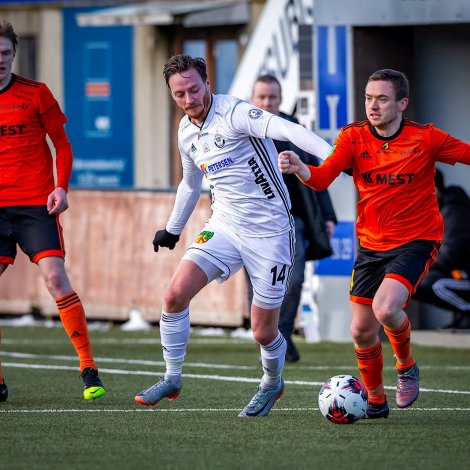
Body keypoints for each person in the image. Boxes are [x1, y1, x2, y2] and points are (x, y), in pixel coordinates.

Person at [134, 54, 332, 417]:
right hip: (224, 226)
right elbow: (190, 184)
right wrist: (173, 229)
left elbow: (288, 130)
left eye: (195, 88)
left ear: (208, 83)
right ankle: (172, 377)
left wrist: (330, 156)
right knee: (174, 295)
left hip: (271, 233)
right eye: (180, 94)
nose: (189, 98)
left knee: (262, 332)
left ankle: (272, 382)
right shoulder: (186, 131)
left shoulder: (235, 113)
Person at [278, 68, 470, 419]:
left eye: (382, 99)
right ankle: (377, 402)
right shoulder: (353, 138)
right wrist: (299, 168)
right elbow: (321, 179)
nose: (373, 105)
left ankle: (407, 366)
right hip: (371, 245)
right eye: (369, 98)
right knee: (361, 330)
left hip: (417, 240)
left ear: (402, 103)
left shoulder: (426, 138)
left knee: (385, 308)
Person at [0, 21, 105, 402]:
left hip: (34, 205)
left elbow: (62, 144)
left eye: (6, 54)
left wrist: (61, 187)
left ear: (14, 54)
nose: (1, 60)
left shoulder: (36, 94)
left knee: (55, 279)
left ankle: (88, 367)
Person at [246, 74, 337, 362]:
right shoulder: (242, 129)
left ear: (281, 98)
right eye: (261, 97)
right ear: (253, 99)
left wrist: (328, 215)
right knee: (260, 284)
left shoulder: (293, 129)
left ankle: (283, 334)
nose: (267, 102)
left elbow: (316, 172)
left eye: (272, 97)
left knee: (294, 279)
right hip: (253, 222)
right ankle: (267, 339)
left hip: (292, 220)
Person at [414, 169, 470, 328]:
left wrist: (423, 267)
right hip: (456, 274)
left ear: (434, 189)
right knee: (408, 279)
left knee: (426, 281)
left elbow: (451, 251)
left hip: (465, 274)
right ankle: (462, 316)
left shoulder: (455, 210)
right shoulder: (431, 211)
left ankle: (466, 313)